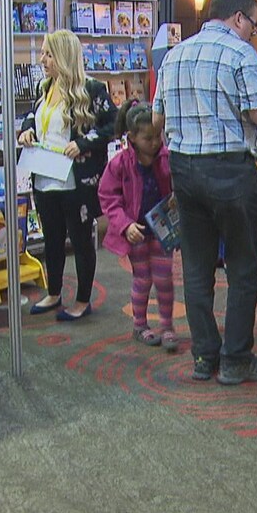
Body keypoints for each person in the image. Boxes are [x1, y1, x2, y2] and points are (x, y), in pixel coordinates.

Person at [151, 0, 257, 385]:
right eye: (255, 26)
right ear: (239, 18)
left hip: (184, 170)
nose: (253, 34)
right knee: (243, 267)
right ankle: (236, 359)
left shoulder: (173, 55)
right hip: (229, 170)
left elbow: (156, 122)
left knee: (196, 267)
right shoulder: (240, 53)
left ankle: (204, 356)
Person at [17, 29, 117, 322]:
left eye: (48, 54)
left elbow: (113, 124)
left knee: (81, 239)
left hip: (75, 180)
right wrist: (27, 130)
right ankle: (54, 292)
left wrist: (84, 143)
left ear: (63, 56)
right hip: (45, 175)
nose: (43, 59)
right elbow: (32, 116)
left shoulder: (92, 90)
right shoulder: (43, 87)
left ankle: (83, 299)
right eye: (43, 53)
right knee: (52, 238)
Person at [98, 100, 178, 353]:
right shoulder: (120, 163)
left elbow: (178, 182)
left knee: (165, 278)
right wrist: (124, 225)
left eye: (158, 136)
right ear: (132, 137)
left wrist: (178, 195)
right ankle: (140, 324)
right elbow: (108, 197)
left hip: (163, 228)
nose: (155, 142)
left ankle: (167, 326)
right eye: (148, 138)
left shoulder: (167, 158)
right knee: (142, 279)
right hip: (136, 232)